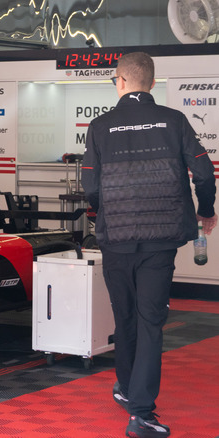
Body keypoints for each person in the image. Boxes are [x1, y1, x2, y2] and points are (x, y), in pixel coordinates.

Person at [82, 51, 217, 438]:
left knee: (124, 318)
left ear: (119, 82)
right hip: (160, 242)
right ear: (153, 83)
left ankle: (127, 389)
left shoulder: (101, 126)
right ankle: (140, 411)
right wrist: (205, 210)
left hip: (116, 240)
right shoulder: (174, 120)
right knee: (150, 321)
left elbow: (90, 187)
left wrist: (104, 211)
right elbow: (205, 173)